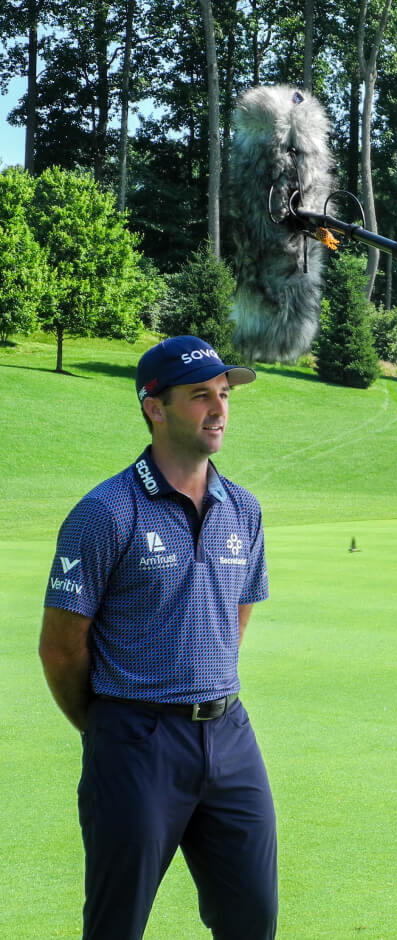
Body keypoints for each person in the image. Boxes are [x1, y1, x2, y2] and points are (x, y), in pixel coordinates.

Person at [39, 335, 277, 940]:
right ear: (155, 406)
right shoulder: (106, 512)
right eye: (200, 396)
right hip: (136, 739)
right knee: (117, 924)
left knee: (253, 919)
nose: (219, 409)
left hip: (229, 734)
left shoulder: (243, 510)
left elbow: (236, 617)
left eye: (223, 394)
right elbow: (61, 646)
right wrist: (107, 726)